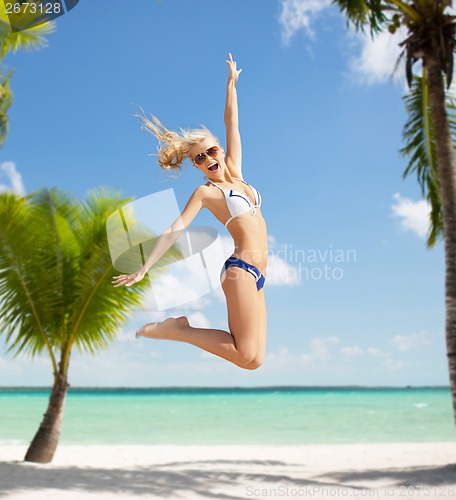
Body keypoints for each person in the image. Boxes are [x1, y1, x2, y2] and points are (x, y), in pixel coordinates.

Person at [112, 53, 267, 370]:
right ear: (196, 165)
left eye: (211, 151)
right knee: (243, 355)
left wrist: (231, 84)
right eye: (199, 158)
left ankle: (180, 330)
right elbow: (175, 228)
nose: (208, 158)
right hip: (239, 270)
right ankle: (179, 330)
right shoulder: (206, 193)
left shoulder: (237, 173)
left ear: (219, 150)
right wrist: (144, 268)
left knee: (254, 360)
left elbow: (231, 122)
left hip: (259, 275)